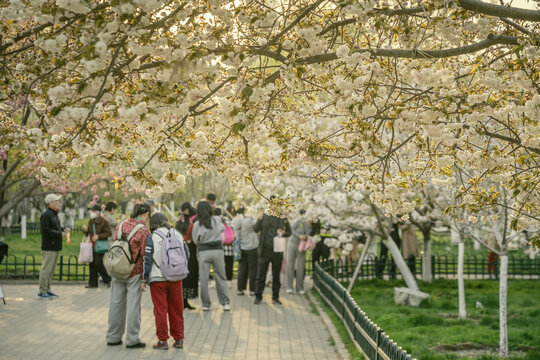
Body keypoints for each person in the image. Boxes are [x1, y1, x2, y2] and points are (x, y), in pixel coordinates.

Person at [106, 202, 151, 349]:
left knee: (116, 303)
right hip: (134, 271)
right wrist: (145, 277)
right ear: (145, 214)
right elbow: (144, 254)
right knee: (133, 306)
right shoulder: (144, 230)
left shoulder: (121, 225)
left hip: (118, 269)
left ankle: (113, 337)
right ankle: (132, 339)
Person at [142, 212, 185, 350]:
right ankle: (179, 339)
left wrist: (144, 278)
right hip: (176, 278)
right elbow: (187, 254)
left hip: (157, 279)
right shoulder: (177, 234)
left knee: (160, 310)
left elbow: (147, 260)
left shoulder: (152, 237)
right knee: (176, 309)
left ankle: (162, 341)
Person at [192, 201, 230, 311]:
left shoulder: (197, 224)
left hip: (204, 252)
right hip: (218, 251)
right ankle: (225, 303)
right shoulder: (217, 219)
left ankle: (206, 304)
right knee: (221, 277)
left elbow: (195, 240)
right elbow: (222, 229)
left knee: (203, 279)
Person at [253, 202, 291, 305]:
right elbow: (255, 229)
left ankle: (275, 297)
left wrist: (283, 233)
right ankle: (258, 296)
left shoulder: (282, 217)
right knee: (261, 275)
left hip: (277, 250)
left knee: (276, 276)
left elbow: (289, 232)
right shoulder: (264, 216)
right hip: (265, 250)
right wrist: (259, 219)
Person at [38, 193, 70, 300]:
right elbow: (46, 230)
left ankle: (47, 290)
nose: (58, 203)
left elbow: (56, 227)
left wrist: (63, 229)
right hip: (49, 246)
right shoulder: (46, 215)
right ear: (50, 203)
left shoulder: (54, 215)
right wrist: (60, 234)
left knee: (51, 271)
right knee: (46, 269)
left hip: (55, 246)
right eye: (56, 201)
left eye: (58, 201)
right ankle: (42, 292)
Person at [175, 202, 198, 310]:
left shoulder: (179, 222)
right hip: (189, 250)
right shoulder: (190, 223)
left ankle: (182, 300)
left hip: (182, 250)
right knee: (188, 274)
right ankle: (184, 300)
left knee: (185, 274)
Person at [82, 204, 112, 288]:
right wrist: (85, 230)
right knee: (92, 263)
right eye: (92, 211)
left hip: (100, 245)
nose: (92, 213)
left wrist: (98, 236)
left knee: (98, 262)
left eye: (94, 211)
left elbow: (109, 233)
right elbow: (88, 233)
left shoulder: (104, 222)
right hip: (92, 245)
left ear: (98, 213)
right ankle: (93, 283)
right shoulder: (91, 221)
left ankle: (108, 279)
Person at [232, 206, 259, 296]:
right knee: (253, 269)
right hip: (252, 246)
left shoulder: (237, 221)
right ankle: (252, 289)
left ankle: (240, 289)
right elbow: (256, 228)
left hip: (241, 247)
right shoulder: (250, 220)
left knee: (242, 268)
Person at [286, 210, 311, 295]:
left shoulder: (309, 224)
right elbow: (291, 229)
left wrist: (306, 236)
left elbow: (309, 234)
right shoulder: (298, 221)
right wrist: (299, 235)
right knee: (290, 265)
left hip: (302, 246)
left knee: (301, 266)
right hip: (293, 244)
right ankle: (289, 287)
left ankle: (299, 287)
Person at [215, 207, 234, 287]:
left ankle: (220, 282)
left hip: (219, 248)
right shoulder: (228, 220)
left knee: (219, 266)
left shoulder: (214, 221)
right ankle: (229, 282)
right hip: (229, 248)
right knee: (229, 265)